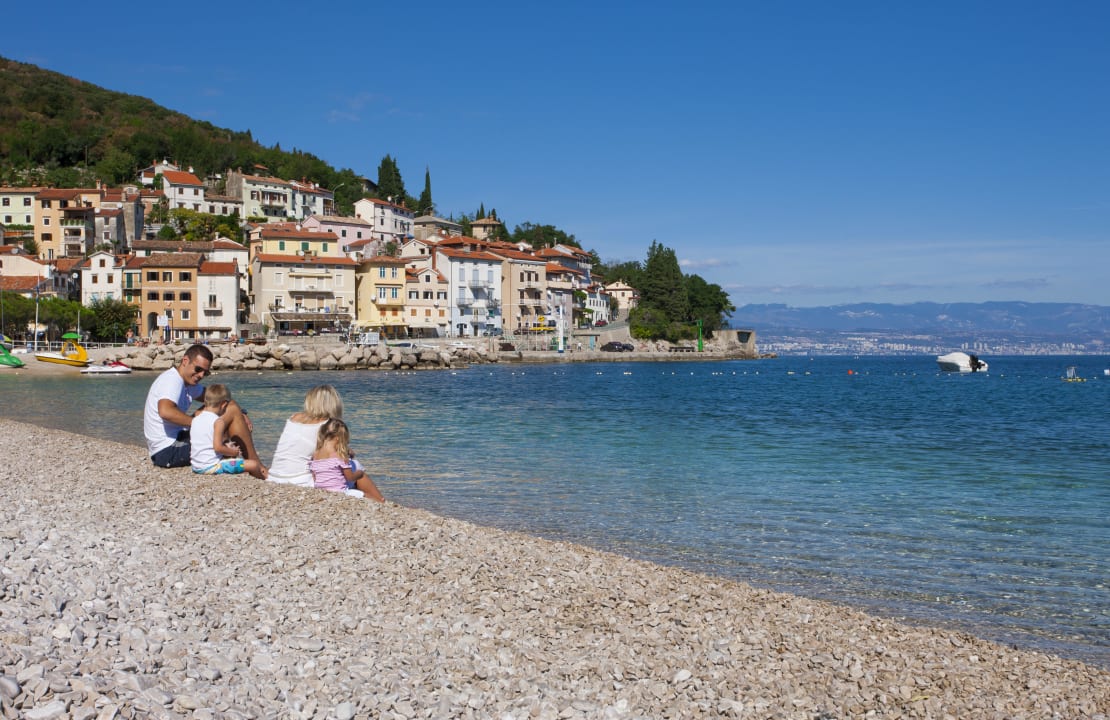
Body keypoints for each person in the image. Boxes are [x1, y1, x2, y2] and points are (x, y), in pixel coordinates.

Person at [143, 344, 259, 468]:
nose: (201, 375)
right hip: (167, 451)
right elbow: (165, 411)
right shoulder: (172, 380)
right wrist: (200, 424)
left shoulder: (187, 383)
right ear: (185, 361)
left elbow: (220, 398)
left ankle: (238, 459)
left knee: (224, 406)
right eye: (198, 369)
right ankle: (257, 466)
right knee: (228, 412)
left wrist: (242, 413)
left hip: (175, 440)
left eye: (206, 372)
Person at [268, 384, 345, 487]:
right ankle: (368, 496)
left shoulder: (295, 417)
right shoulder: (331, 426)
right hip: (300, 480)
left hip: (273, 476)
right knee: (356, 469)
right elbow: (337, 456)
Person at [189, 383, 267, 479]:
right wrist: (233, 452)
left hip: (196, 466)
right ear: (224, 405)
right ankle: (262, 478)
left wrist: (226, 447)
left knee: (233, 456)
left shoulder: (195, 419)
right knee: (253, 465)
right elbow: (218, 448)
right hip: (212, 467)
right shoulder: (218, 422)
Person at [310, 418, 385, 502]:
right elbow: (350, 477)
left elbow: (315, 477)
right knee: (368, 496)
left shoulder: (315, 455)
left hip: (322, 491)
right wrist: (359, 473)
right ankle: (382, 502)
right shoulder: (339, 456)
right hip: (340, 492)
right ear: (338, 438)